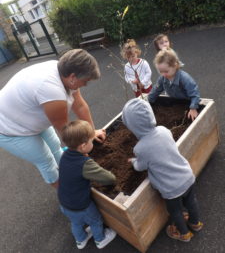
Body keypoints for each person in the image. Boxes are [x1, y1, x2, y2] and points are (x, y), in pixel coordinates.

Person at [0, 49, 106, 188]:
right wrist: (80, 151)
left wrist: (92, 133)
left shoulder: (66, 71)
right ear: (73, 77)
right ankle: (66, 192)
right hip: (10, 129)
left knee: (56, 147)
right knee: (46, 159)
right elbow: (65, 129)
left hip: (27, 116)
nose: (85, 85)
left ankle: (69, 174)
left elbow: (80, 105)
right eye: (85, 81)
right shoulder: (51, 89)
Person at [122, 98, 203, 242]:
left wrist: (134, 162)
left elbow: (141, 166)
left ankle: (183, 233)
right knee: (192, 201)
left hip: (171, 188)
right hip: (187, 176)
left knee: (175, 211)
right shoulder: (163, 130)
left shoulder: (140, 148)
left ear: (132, 126)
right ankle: (195, 223)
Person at [58, 120, 117, 249]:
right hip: (81, 206)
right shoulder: (84, 164)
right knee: (95, 221)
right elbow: (109, 178)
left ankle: (81, 240)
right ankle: (100, 239)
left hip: (64, 203)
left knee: (76, 223)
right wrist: (112, 177)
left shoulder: (65, 155)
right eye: (91, 141)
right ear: (83, 146)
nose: (93, 143)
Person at [148, 48, 200, 121]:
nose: (163, 74)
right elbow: (155, 90)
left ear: (175, 66)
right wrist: (148, 102)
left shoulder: (184, 79)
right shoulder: (162, 79)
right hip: (175, 103)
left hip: (187, 102)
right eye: (160, 71)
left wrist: (193, 108)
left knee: (189, 119)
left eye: (166, 71)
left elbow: (194, 93)